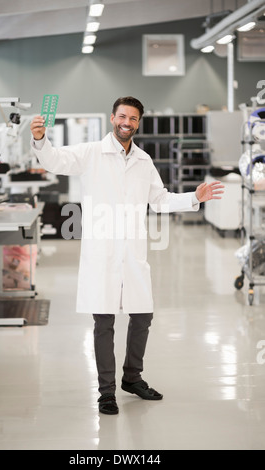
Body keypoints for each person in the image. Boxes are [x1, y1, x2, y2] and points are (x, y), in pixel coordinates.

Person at [30, 96, 224, 415]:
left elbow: (159, 200)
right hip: (103, 252)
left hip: (132, 253)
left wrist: (194, 196)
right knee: (104, 320)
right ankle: (106, 392)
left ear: (137, 123)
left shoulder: (144, 161)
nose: (127, 122)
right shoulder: (91, 153)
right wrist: (39, 137)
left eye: (133, 119)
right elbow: (55, 160)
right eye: (122, 116)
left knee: (142, 315)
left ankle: (132, 378)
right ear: (112, 118)